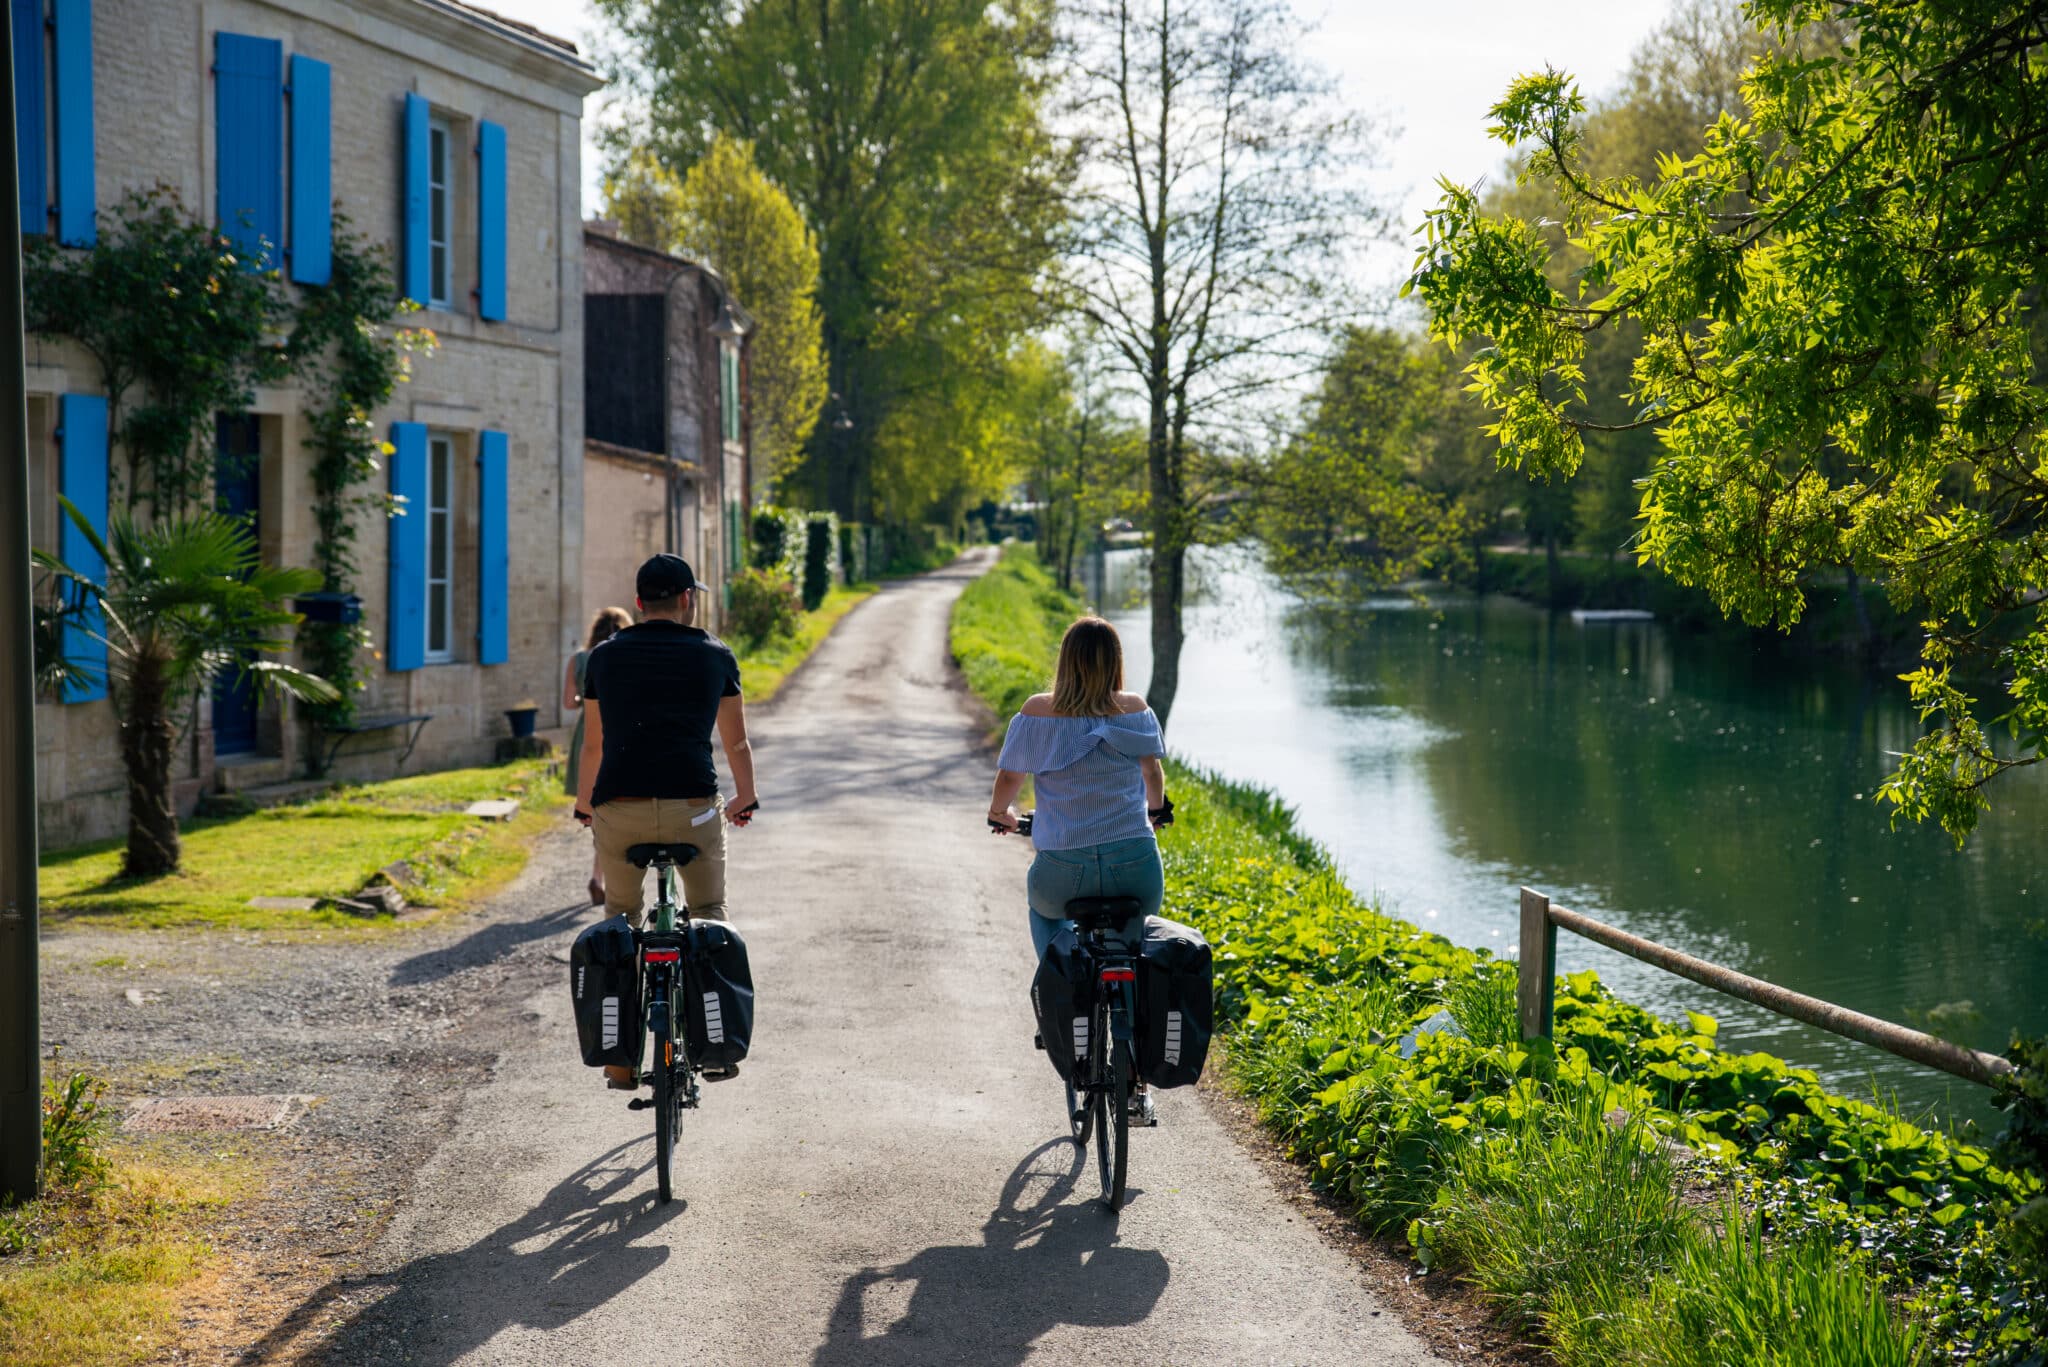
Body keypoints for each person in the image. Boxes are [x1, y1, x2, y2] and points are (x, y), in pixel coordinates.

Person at [575, 553, 759, 1089]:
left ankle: (619, 1061)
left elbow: (594, 745)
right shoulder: (714, 654)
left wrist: (587, 805)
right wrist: (744, 795)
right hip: (693, 807)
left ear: (638, 603)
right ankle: (717, 1046)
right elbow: (737, 741)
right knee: (708, 913)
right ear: (686, 599)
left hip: (620, 807)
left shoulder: (603, 658)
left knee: (622, 921)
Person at [986, 616, 1170, 1123]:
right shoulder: (1134, 709)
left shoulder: (1037, 712)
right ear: (1115, 661)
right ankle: (1137, 1086)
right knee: (1134, 950)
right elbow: (1152, 773)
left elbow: (1009, 776)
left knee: (1044, 912)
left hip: (1062, 869)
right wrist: (1155, 811)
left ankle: (1063, 992)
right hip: (1135, 865)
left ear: (1065, 660)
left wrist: (1000, 814)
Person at [564, 606, 633, 908]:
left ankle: (598, 875)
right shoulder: (625, 657)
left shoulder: (579, 660)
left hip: (587, 732)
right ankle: (599, 875)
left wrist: (585, 697)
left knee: (595, 808)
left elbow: (569, 703)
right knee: (612, 809)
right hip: (617, 732)